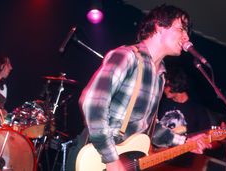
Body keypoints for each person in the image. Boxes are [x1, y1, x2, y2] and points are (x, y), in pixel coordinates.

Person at [79, 4, 211, 171]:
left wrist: (185, 142)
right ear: (159, 26)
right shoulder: (128, 56)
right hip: (98, 158)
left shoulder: (160, 77)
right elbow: (92, 103)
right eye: (181, 29)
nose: (187, 37)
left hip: (127, 159)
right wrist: (111, 159)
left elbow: (148, 127)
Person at [158, 67, 211, 135]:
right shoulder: (162, 103)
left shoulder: (197, 109)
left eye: (166, 85)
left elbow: (206, 133)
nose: (163, 88)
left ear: (175, 83)